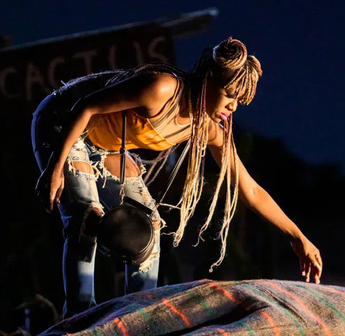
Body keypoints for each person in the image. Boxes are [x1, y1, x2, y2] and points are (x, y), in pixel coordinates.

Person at [31, 37, 323, 318]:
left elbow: (250, 190)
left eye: (240, 101)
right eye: (230, 94)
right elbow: (86, 107)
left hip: (107, 145)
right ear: (209, 78)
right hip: (62, 122)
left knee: (149, 226)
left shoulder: (209, 129)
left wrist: (297, 237)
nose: (233, 106)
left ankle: (136, 316)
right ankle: (78, 314)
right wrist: (55, 168)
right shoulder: (162, 87)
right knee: (85, 214)